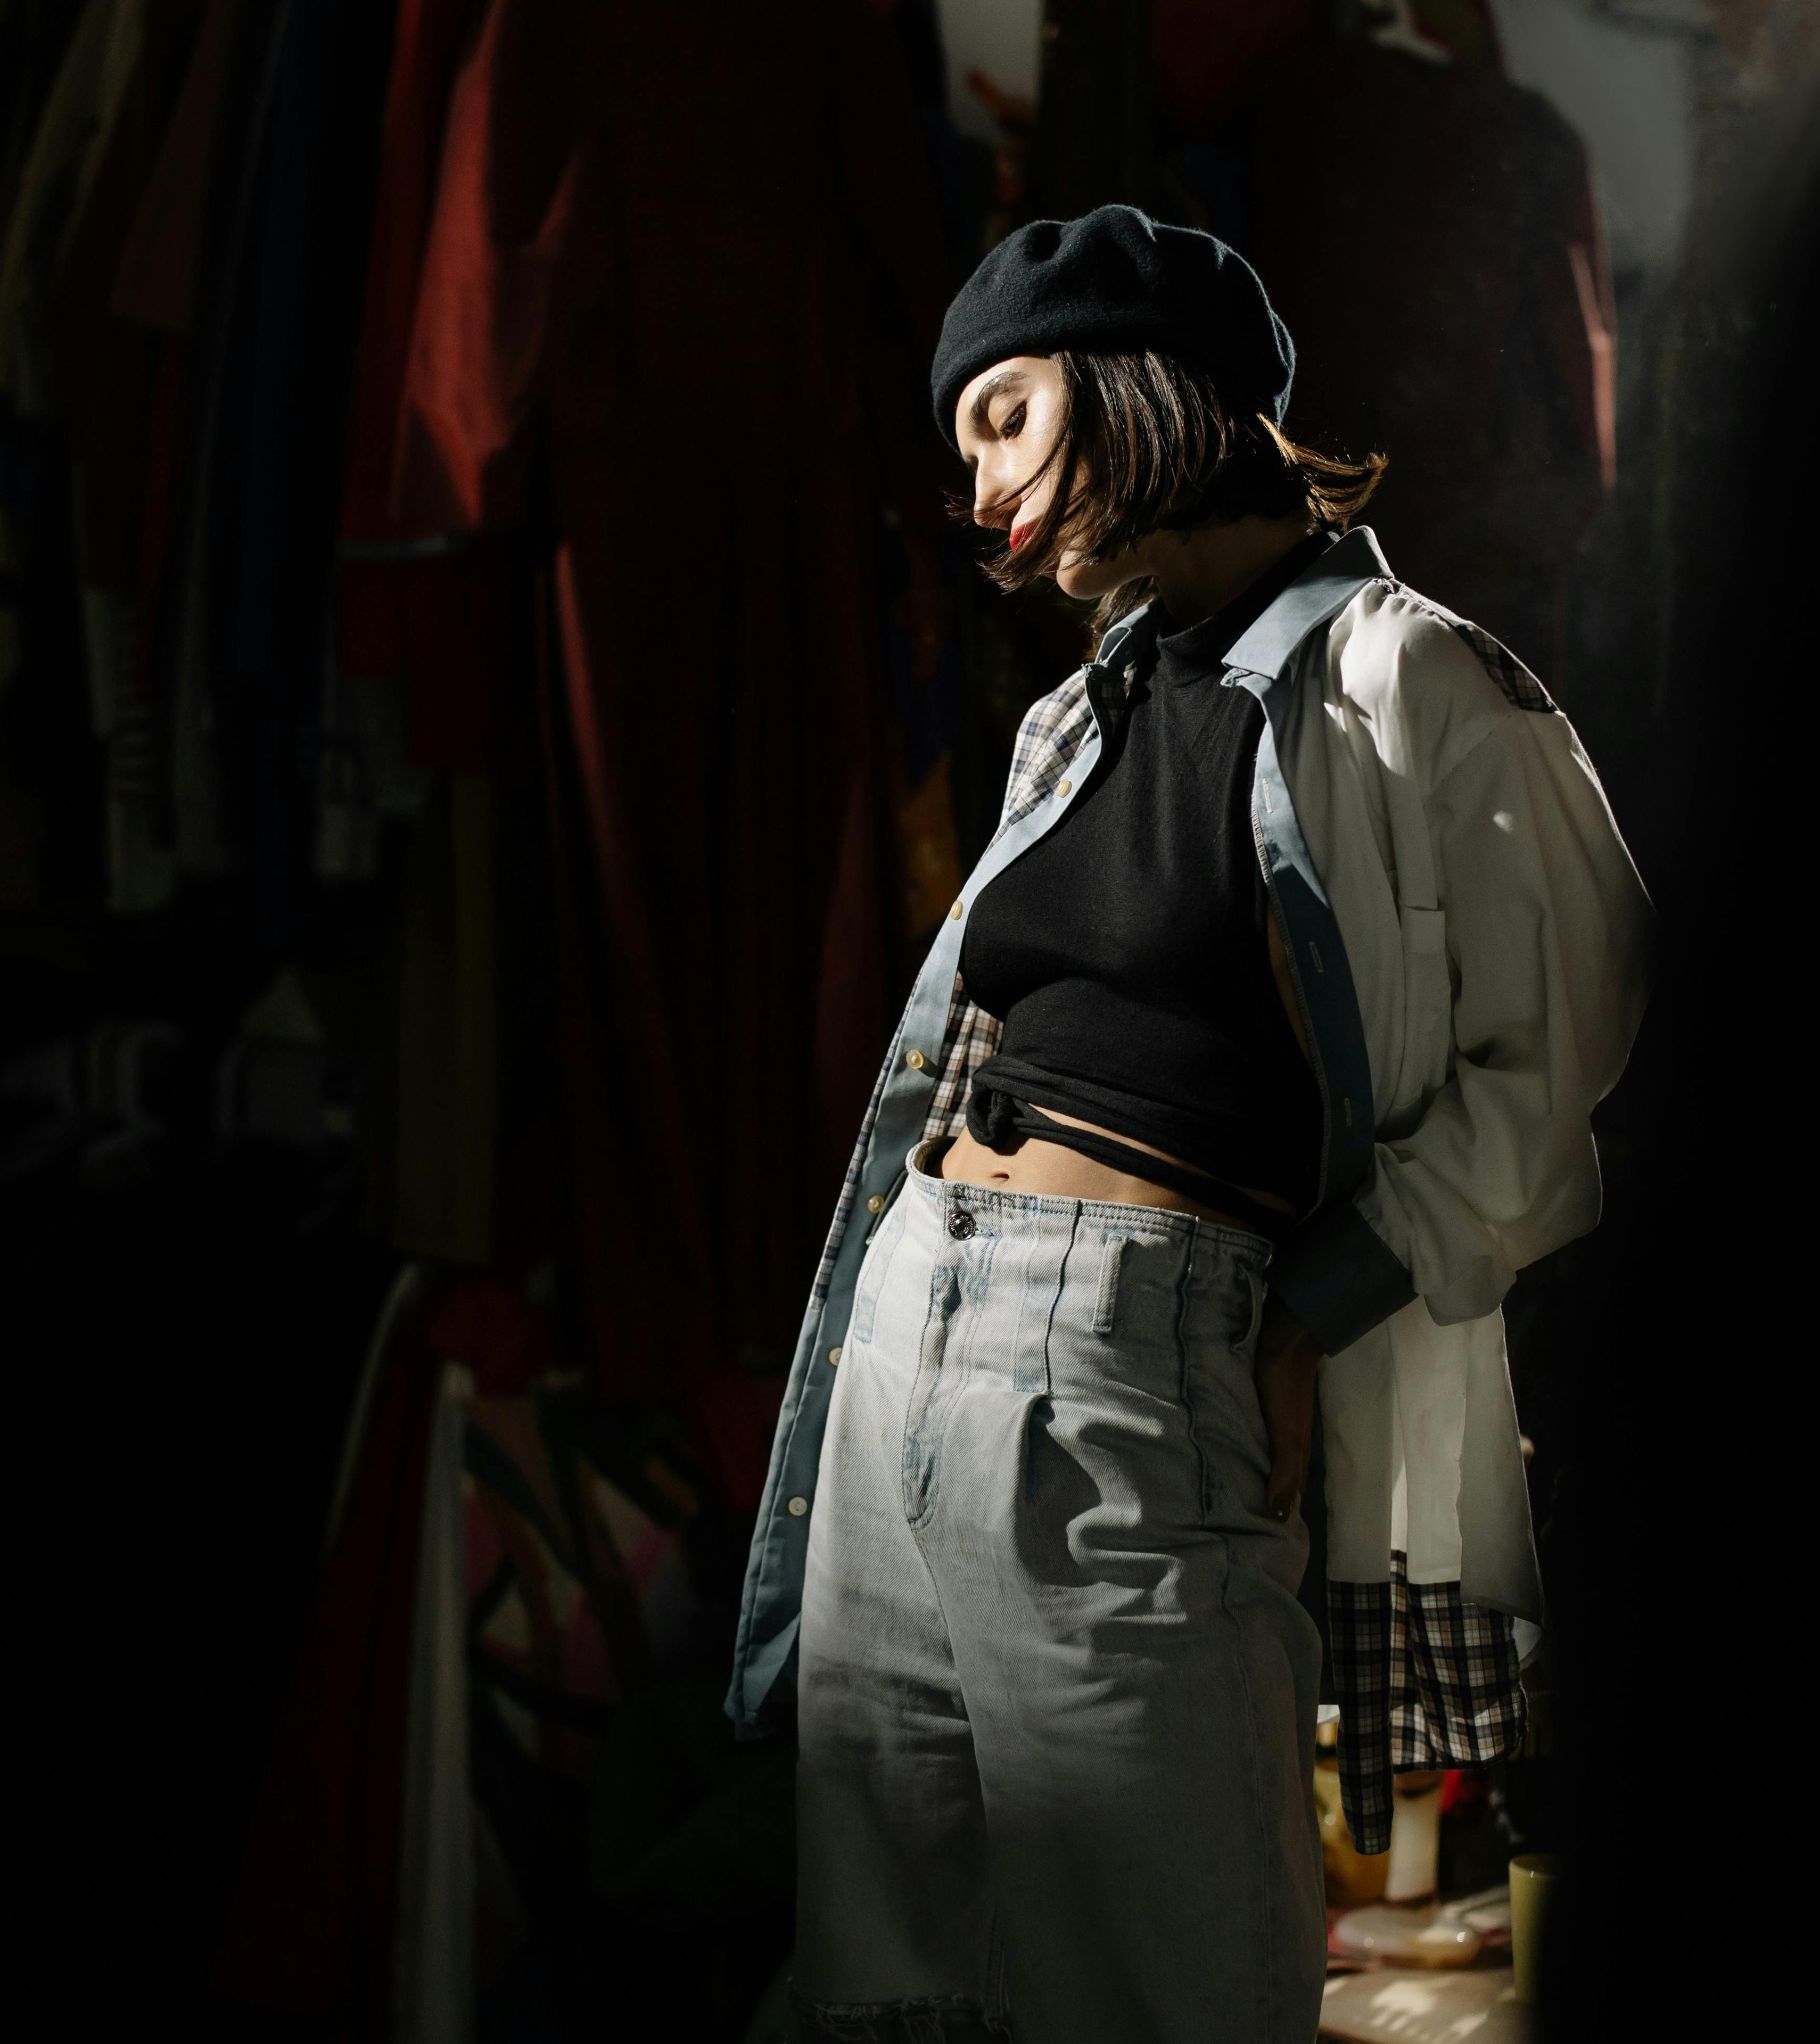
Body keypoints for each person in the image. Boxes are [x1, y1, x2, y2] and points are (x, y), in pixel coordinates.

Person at [727, 206, 1654, 2042]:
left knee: (1171, 1998)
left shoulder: (1410, 679)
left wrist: (1319, 1303)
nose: (977, 486)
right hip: (903, 1348)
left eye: (1004, 414)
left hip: (1122, 1372)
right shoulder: (1072, 721)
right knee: (891, 1999)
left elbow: (1568, 1055)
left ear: (1140, 387)